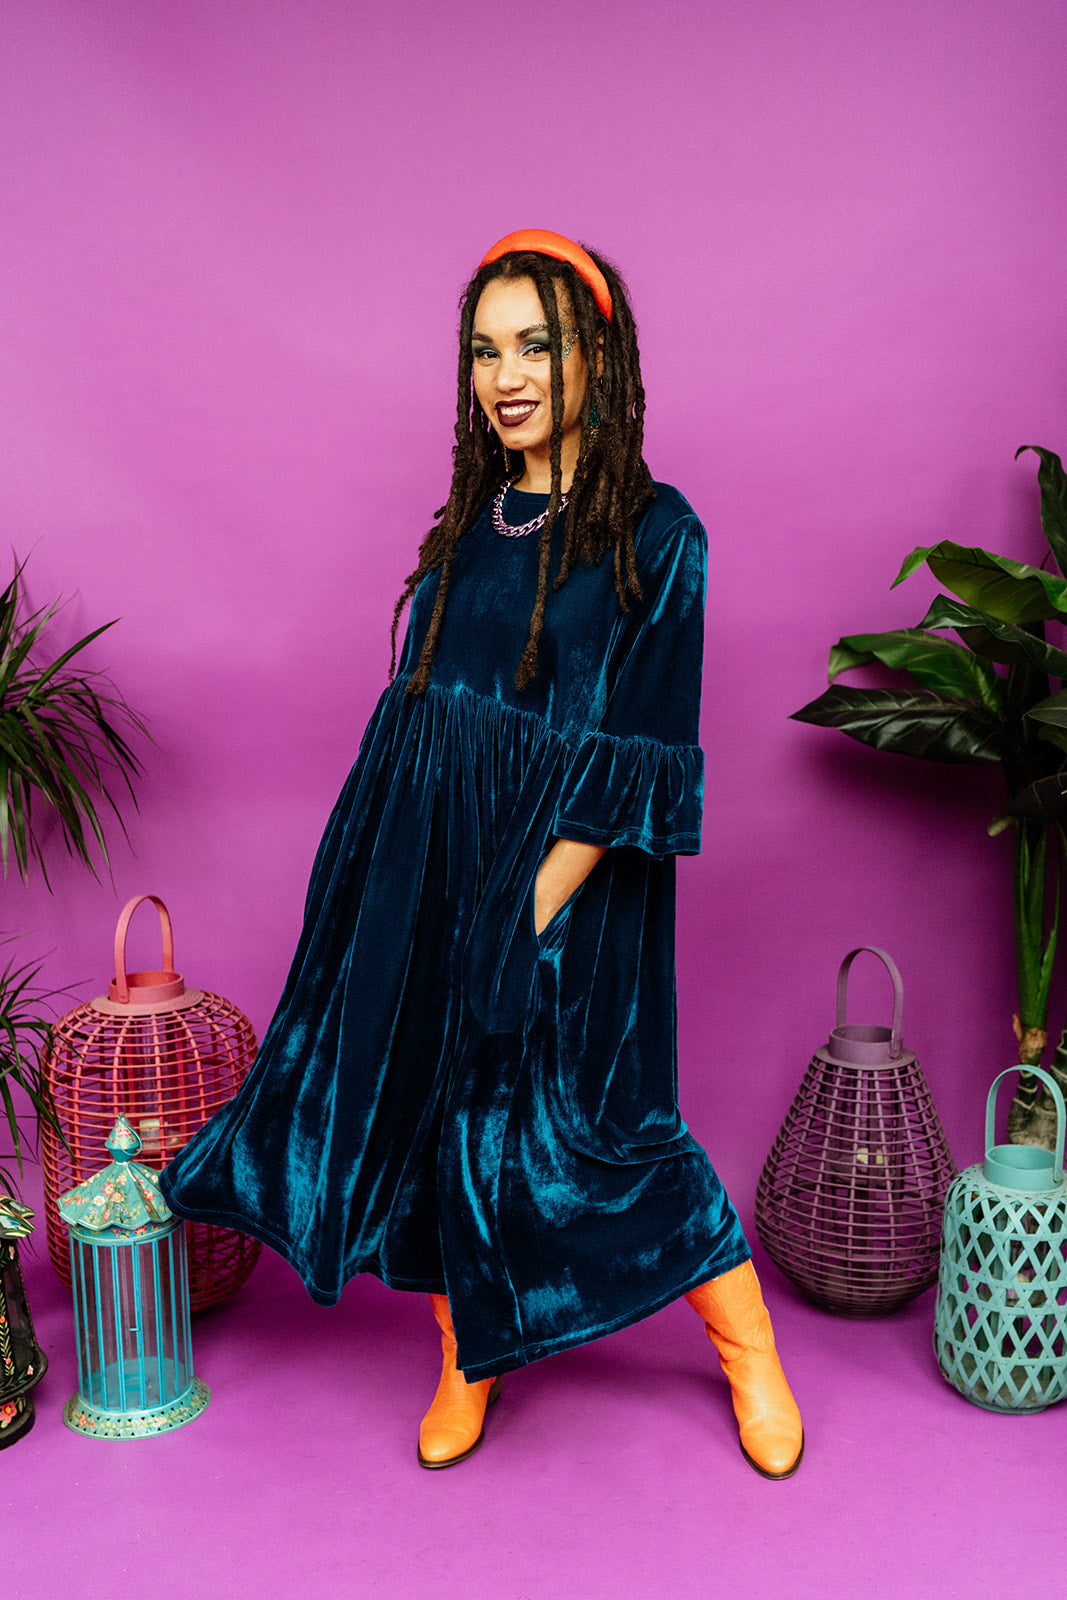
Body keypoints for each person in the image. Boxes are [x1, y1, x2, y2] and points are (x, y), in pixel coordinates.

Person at [160, 229, 803, 1480]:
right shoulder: (469, 522)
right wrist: (375, 887)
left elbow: (639, 754)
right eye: (484, 350)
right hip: (428, 869)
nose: (505, 376)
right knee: (438, 1114)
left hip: (568, 884)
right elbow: (422, 725)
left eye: (535, 346)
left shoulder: (659, 534)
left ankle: (747, 1349)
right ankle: (467, 1351)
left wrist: (523, 912)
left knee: (603, 1130)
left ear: (595, 356)